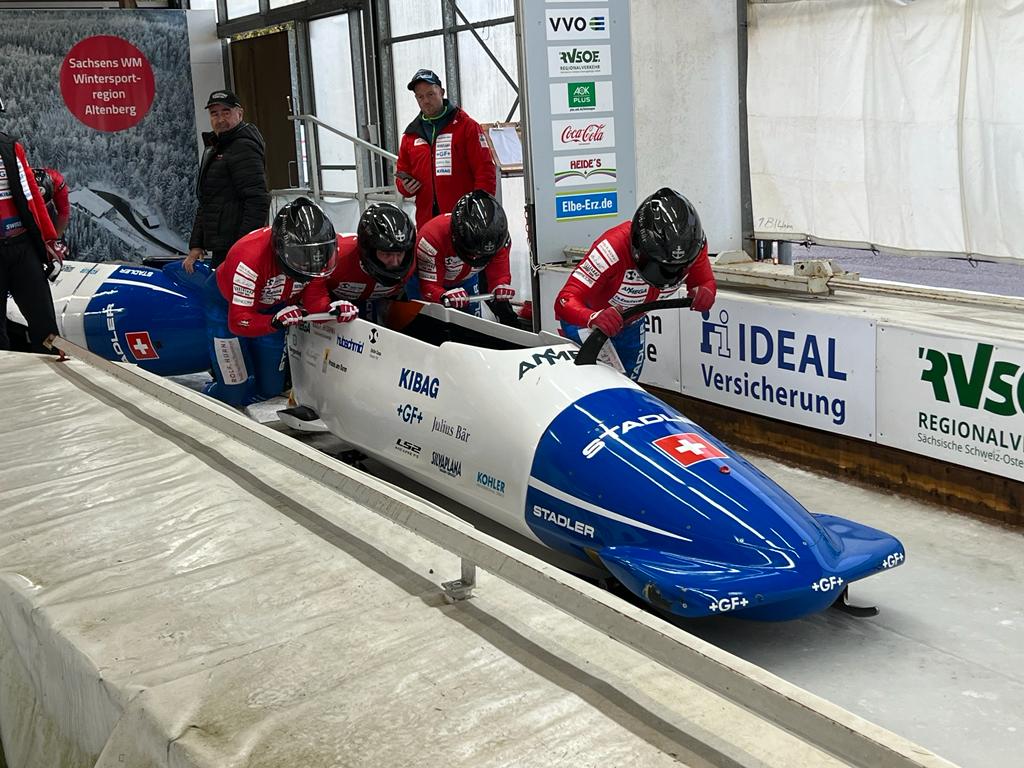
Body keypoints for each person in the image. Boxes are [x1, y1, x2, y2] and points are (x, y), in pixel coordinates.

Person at [203, 197, 356, 407]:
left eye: (315, 254)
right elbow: (238, 321)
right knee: (233, 392)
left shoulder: (317, 260)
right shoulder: (248, 257)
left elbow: (315, 302)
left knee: (271, 389)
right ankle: (207, 394)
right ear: (281, 248)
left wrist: (333, 311)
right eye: (302, 255)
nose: (310, 262)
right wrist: (272, 323)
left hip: (273, 309)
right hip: (227, 307)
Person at [554, 187, 716, 381]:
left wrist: (706, 292)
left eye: (678, 267)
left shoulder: (694, 247)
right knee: (595, 382)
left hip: (630, 323)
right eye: (659, 265)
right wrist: (592, 317)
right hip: (587, 320)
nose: (668, 274)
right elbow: (565, 299)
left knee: (627, 382)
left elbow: (704, 281)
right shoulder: (611, 249)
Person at [0, 106, 66, 353]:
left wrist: (48, 241)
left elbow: (33, 200)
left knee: (43, 320)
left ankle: (53, 374)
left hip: (22, 246)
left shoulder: (10, 147)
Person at [395, 69, 496, 229]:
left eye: (430, 94)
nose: (426, 101)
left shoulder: (467, 127)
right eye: (420, 97)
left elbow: (485, 170)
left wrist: (480, 208)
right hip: (427, 221)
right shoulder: (410, 135)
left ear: (441, 92)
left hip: (465, 219)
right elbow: (401, 177)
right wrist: (405, 187)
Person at [185, 89, 271, 273]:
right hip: (224, 248)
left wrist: (244, 247)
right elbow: (208, 200)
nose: (220, 119)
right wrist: (196, 245)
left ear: (239, 113)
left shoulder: (243, 147)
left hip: (236, 250)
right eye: (214, 113)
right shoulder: (219, 147)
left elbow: (257, 199)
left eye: (226, 112)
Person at [408, 190, 516, 322]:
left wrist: (500, 286)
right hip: (424, 281)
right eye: (473, 251)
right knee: (425, 325)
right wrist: (441, 295)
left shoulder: (500, 240)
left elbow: (499, 275)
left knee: (474, 325)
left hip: (467, 281)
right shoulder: (431, 238)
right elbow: (428, 287)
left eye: (483, 254)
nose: (477, 257)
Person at [324, 202, 416, 322]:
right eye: (387, 254)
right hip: (336, 306)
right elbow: (310, 290)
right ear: (368, 249)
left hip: (378, 304)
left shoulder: (411, 262)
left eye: (400, 254)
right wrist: (326, 306)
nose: (394, 262)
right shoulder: (335, 257)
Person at [32, 167, 70, 237]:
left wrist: (57, 238)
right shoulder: (20, 182)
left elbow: (64, 212)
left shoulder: (58, 181)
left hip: (48, 207)